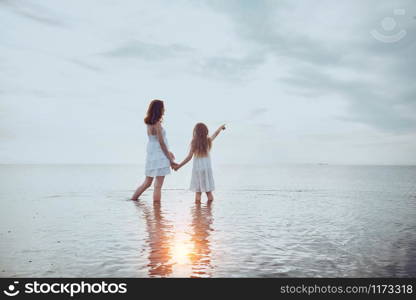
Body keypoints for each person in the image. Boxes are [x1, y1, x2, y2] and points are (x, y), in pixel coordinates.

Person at [131, 100, 177, 202]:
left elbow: (155, 141)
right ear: (159, 109)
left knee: (147, 183)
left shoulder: (149, 124)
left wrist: (168, 152)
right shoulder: (157, 124)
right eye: (163, 108)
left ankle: (133, 200)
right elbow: (161, 142)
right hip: (159, 155)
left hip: (152, 154)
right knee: (158, 186)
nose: (164, 110)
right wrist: (170, 159)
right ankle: (157, 210)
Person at [174, 123, 225, 202]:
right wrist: (221, 127)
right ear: (206, 131)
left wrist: (179, 166)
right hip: (207, 170)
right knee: (209, 192)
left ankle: (198, 212)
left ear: (196, 132)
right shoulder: (208, 141)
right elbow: (215, 134)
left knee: (198, 192)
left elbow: (189, 157)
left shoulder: (194, 142)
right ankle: (209, 211)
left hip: (197, 170)